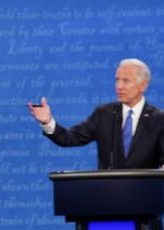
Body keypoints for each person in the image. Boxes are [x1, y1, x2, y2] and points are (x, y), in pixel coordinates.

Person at [28, 58, 164, 169]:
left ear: (143, 85)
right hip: (108, 194)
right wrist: (47, 122)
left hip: (145, 195)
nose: (119, 86)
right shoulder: (104, 114)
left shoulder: (159, 120)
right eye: (117, 80)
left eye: (126, 81)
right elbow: (70, 138)